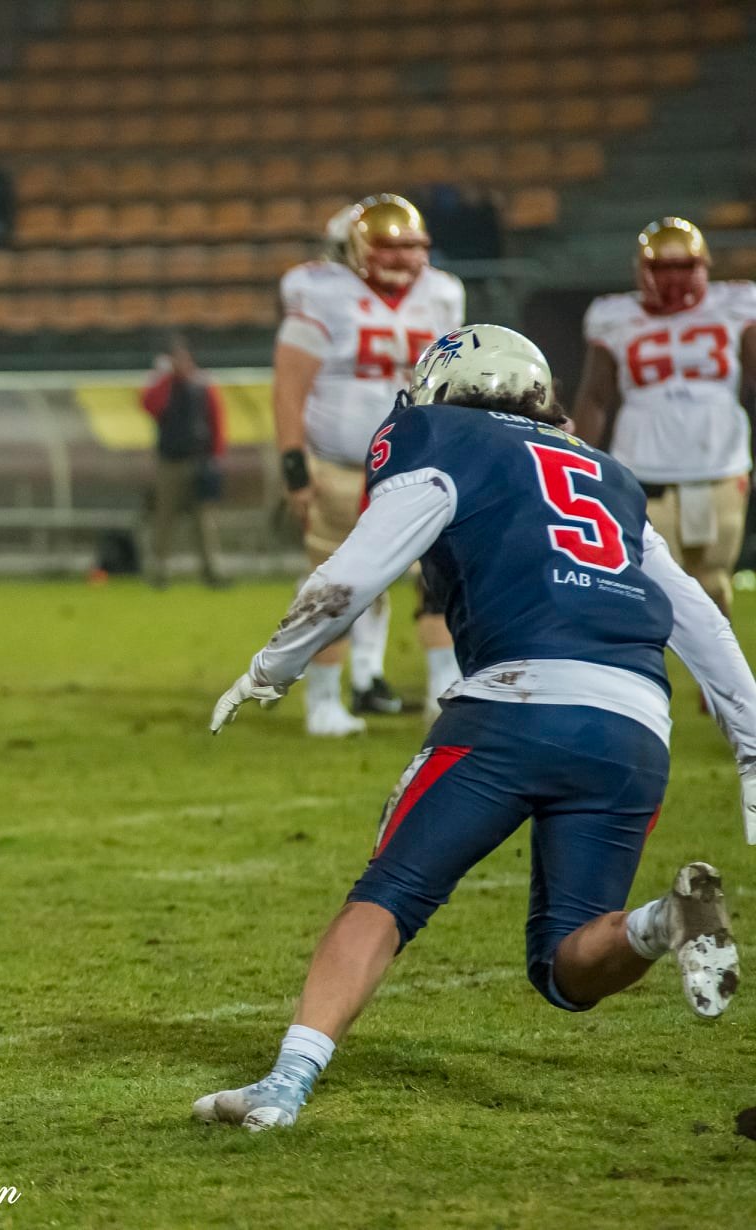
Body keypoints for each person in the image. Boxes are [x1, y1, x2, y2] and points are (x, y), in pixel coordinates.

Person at [200, 325, 748, 1131]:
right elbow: (698, 620)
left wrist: (271, 667)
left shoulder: (440, 436)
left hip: (514, 703)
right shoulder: (608, 473)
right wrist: (751, 742)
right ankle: (664, 920)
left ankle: (287, 1081)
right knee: (565, 968)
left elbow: (352, 576)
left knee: (388, 893)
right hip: (634, 725)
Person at [274, 194, 466, 734]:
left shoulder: (443, 294)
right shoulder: (322, 293)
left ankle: (443, 694)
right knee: (334, 585)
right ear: (359, 248)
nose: (403, 259)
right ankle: (323, 702)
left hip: (421, 465)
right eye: (390, 247)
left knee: (441, 580)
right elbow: (290, 386)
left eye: (412, 247)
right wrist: (294, 464)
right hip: (340, 467)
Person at [573, 217, 756, 618]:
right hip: (643, 465)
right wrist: (578, 459)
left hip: (718, 462)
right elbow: (596, 395)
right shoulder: (614, 314)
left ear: (704, 266)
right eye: (662, 267)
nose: (673, 277)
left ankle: (714, 677)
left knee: (711, 580)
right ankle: (649, 675)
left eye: (683, 266)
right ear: (641, 270)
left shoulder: (736, 304)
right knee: (652, 580)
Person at [141, 336, 228, 588]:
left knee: (204, 521)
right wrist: (165, 378)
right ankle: (160, 570)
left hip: (198, 461)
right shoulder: (165, 387)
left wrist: (215, 457)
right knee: (164, 518)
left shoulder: (202, 386)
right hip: (170, 463)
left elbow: (216, 422)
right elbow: (148, 404)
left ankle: (211, 570)